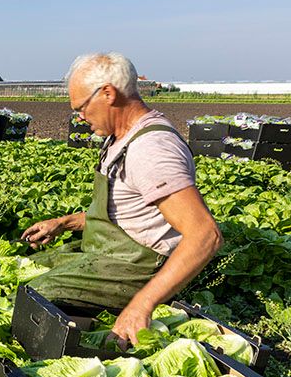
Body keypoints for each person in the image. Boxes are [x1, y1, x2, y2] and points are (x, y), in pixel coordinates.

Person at [21, 52, 222, 345]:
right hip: (111, 251)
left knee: (37, 295)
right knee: (32, 267)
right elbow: (125, 214)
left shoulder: (151, 149)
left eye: (81, 107)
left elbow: (205, 235)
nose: (79, 117)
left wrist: (142, 305)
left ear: (108, 94)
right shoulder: (119, 138)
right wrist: (63, 223)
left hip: (139, 267)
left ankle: (98, 340)